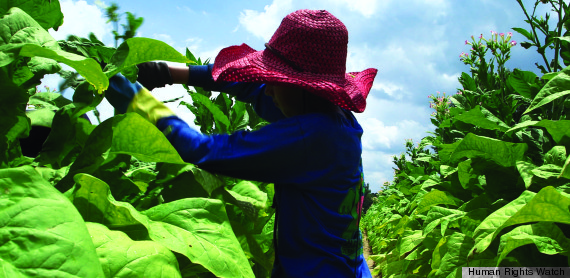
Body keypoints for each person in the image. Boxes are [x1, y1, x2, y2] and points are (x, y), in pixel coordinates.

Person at [105, 9, 377, 278]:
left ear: (304, 87)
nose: (268, 87)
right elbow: (251, 87)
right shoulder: (335, 119)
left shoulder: (312, 137)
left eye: (276, 80)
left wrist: (135, 99)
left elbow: (202, 150)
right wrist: (172, 72)